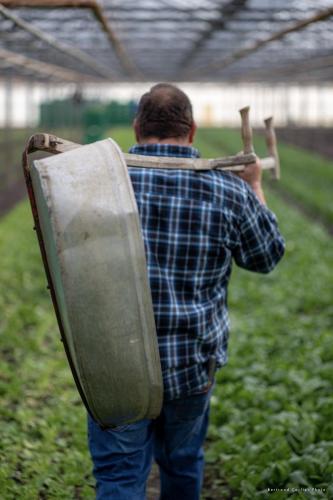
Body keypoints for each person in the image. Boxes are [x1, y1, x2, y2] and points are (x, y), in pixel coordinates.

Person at [87, 83, 285, 500]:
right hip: (192, 364)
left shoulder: (97, 185)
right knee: (181, 462)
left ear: (137, 127)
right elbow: (266, 257)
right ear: (192, 130)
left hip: (115, 366)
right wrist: (254, 187)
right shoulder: (228, 190)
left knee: (119, 476)